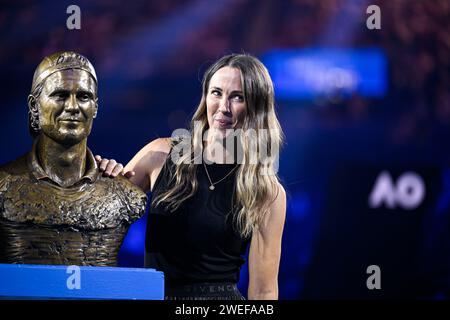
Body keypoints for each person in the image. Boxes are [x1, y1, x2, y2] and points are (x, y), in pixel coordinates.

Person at [97, 53, 286, 299]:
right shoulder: (160, 154)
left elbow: (264, 290)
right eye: (216, 93)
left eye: (237, 97)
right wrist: (102, 176)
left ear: (257, 107)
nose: (223, 108)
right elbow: (98, 213)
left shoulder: (266, 191)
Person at [0, 51, 147, 266]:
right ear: (34, 106)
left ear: (95, 107)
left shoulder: (125, 195)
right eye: (60, 95)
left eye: (84, 97)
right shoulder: (3, 187)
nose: (72, 106)